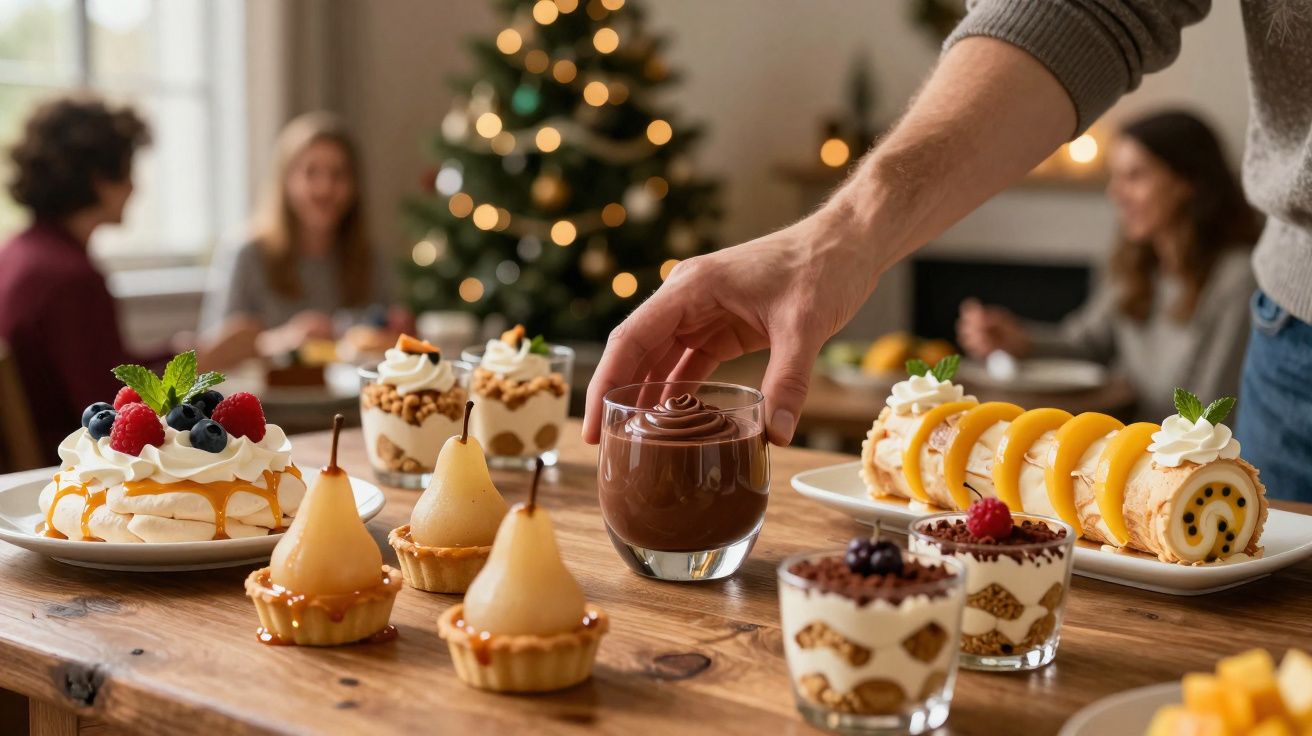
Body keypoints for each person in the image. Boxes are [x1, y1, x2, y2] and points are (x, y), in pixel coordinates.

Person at [582, 2, 1312, 502]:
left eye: (1138, 177)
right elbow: (1083, 10)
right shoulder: (1137, 270)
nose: (1122, 197)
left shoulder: (1222, 285)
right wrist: (834, 241)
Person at [956, 111, 1261, 421]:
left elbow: (1210, 414)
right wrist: (1020, 341)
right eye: (1115, 176)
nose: (1115, 193)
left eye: (1135, 176)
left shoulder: (1237, 279)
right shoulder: (1136, 265)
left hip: (1181, 457)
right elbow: (1086, 344)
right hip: (1125, 440)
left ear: (1187, 182)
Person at [0, 96, 162, 460]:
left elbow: (102, 367)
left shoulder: (17, 254)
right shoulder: (71, 280)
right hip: (63, 471)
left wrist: (192, 349)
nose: (135, 188)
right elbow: (113, 413)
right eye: (126, 172)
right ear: (98, 179)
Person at [202, 112, 408, 364]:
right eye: (311, 173)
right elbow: (212, 359)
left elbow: (386, 341)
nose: (325, 188)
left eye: (338, 174)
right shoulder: (246, 254)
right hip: (266, 401)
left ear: (354, 186)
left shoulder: (369, 258)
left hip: (349, 401)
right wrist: (284, 339)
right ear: (286, 181)